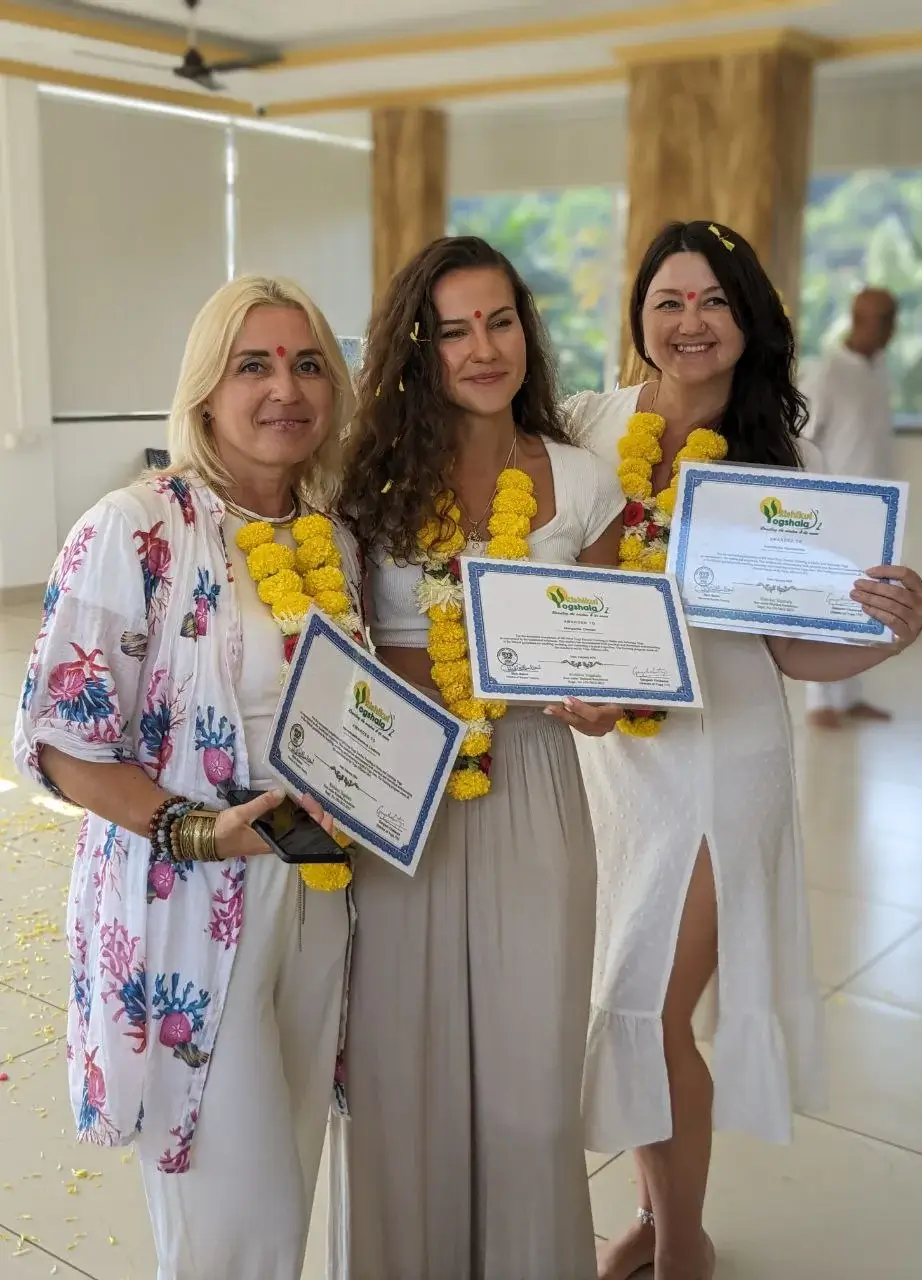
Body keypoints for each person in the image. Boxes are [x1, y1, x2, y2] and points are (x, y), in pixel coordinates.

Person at [565, 222, 922, 1280]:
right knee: (617, 1003)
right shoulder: (591, 423)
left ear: (747, 318)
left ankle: (682, 1239)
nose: (690, 322)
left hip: (724, 763)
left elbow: (790, 652)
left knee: (651, 1003)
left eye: (713, 301)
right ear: (639, 316)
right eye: (669, 300)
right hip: (612, 761)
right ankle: (653, 1207)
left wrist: (883, 633)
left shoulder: (787, 462)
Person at [13, 276, 364, 1280]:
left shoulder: (330, 535)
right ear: (205, 391)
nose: (283, 387)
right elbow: (61, 739)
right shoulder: (135, 527)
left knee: (287, 1174)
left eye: (307, 364)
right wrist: (202, 831)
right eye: (252, 363)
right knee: (227, 1213)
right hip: (189, 910)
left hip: (316, 893)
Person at [330, 235, 626, 1280]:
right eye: (454, 329)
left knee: (533, 1087)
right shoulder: (363, 485)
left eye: (499, 320)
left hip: (538, 785)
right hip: (404, 789)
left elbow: (610, 651)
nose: (482, 346)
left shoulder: (587, 480)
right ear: (421, 347)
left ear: (525, 332)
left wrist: (600, 699)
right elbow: (346, 644)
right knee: (403, 1072)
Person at [802, 287, 899, 727]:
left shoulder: (877, 370)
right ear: (858, 318)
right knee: (829, 602)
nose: (888, 329)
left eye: (891, 318)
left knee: (868, 603)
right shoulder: (826, 373)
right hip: (833, 511)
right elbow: (800, 439)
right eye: (881, 319)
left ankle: (850, 696)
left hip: (876, 512)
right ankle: (821, 702)